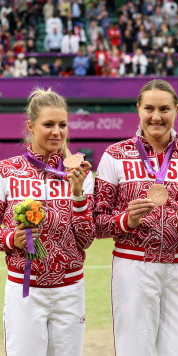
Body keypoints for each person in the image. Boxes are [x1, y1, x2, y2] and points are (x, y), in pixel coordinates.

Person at [94, 79, 178, 356]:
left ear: (177, 110)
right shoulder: (115, 155)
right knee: (135, 349)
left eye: (164, 109)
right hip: (133, 267)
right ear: (138, 109)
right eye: (149, 108)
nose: (156, 116)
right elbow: (97, 222)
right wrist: (126, 221)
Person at [0, 88, 94, 355]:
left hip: (70, 291)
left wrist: (78, 194)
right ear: (31, 126)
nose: (57, 132)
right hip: (25, 292)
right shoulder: (7, 171)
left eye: (62, 125)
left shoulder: (80, 173)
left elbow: (87, 238)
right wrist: (10, 238)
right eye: (48, 124)